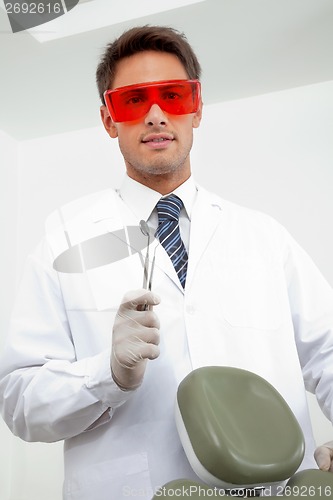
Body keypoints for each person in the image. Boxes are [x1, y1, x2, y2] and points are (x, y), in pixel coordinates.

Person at [0, 25, 333, 499]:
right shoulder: (66, 241)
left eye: (173, 96)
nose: (156, 115)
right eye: (134, 101)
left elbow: (328, 350)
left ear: (196, 109)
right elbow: (19, 403)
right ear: (108, 119)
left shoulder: (263, 237)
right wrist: (107, 374)